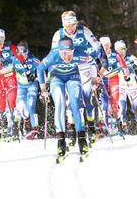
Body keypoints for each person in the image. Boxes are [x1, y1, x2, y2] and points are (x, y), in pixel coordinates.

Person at [51, 11, 104, 147]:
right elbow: (53, 53)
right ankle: (72, 131)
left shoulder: (83, 30)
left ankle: (91, 125)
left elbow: (97, 46)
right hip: (69, 68)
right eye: (68, 26)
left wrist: (98, 60)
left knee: (86, 98)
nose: (71, 28)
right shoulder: (58, 34)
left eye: (73, 25)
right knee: (71, 100)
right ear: (63, 25)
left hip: (85, 65)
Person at [38, 37, 93, 161]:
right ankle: (61, 141)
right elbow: (40, 69)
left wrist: (94, 78)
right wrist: (43, 89)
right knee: (60, 104)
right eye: (63, 53)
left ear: (74, 51)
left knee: (75, 104)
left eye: (69, 53)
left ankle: (82, 140)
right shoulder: (53, 55)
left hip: (73, 77)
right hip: (56, 78)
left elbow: (93, 62)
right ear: (59, 51)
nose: (66, 57)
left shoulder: (80, 54)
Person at [0, 28, 23, 142]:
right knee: (1, 104)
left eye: (2, 39)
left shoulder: (10, 47)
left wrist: (25, 69)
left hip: (10, 77)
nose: (0, 41)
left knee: (12, 101)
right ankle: (3, 130)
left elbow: (21, 58)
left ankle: (14, 130)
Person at [99, 37, 129, 133]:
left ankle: (118, 124)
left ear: (110, 45)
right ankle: (105, 126)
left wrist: (126, 74)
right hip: (103, 80)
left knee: (115, 101)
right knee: (104, 103)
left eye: (107, 45)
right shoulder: (98, 55)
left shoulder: (115, 55)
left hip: (114, 79)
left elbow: (124, 65)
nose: (106, 47)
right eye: (104, 45)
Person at [114, 40, 137, 131]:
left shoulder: (131, 58)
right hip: (121, 86)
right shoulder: (113, 60)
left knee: (136, 108)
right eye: (119, 50)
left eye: (123, 49)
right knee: (122, 106)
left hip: (132, 86)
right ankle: (123, 125)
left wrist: (135, 66)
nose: (122, 52)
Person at [12, 40, 40, 140]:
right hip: (20, 86)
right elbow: (6, 70)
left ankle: (35, 128)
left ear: (27, 51)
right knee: (22, 106)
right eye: (19, 54)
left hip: (32, 85)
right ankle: (26, 121)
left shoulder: (33, 60)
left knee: (31, 105)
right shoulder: (14, 59)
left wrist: (43, 84)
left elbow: (42, 70)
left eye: (23, 53)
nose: (21, 56)